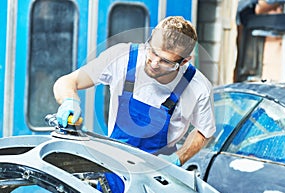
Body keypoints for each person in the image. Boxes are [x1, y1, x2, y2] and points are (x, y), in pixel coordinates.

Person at [53, 16, 216, 167]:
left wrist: (178, 158)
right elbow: (67, 81)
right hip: (111, 166)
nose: (154, 63)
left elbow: (204, 131)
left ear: (184, 61)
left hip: (157, 175)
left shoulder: (198, 87)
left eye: (165, 61)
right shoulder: (122, 59)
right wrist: (69, 101)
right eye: (152, 51)